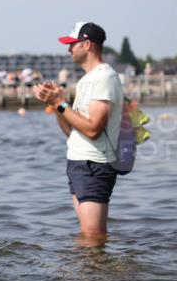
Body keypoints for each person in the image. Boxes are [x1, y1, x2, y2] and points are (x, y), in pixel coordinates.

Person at [34, 22, 123, 237]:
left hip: (94, 164)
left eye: (72, 44)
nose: (68, 49)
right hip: (79, 163)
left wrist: (60, 103)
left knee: (93, 237)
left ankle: (101, 271)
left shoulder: (104, 78)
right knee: (87, 236)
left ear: (88, 44)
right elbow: (72, 131)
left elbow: (93, 129)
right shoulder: (87, 80)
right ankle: (89, 272)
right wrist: (56, 104)